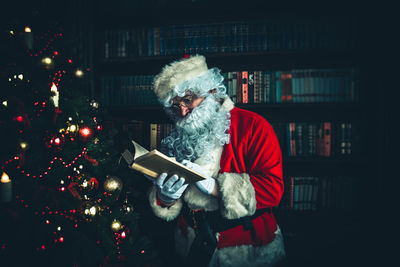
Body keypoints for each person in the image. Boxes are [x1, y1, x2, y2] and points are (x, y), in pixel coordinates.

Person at [148, 55, 286, 266]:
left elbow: (273, 190)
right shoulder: (179, 133)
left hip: (246, 246)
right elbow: (168, 191)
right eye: (176, 106)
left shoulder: (254, 125)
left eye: (187, 99)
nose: (183, 112)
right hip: (190, 244)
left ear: (210, 91)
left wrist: (215, 187)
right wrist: (165, 198)